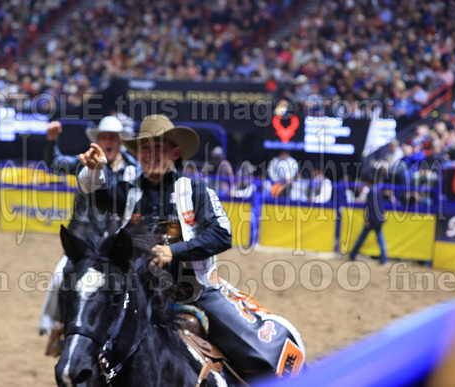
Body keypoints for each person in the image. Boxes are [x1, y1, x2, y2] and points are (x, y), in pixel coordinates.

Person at [78, 114, 305, 379]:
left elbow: (222, 234)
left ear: (175, 153)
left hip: (196, 295)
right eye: (145, 148)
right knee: (85, 333)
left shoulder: (195, 191)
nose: (149, 154)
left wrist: (173, 251)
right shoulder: (128, 192)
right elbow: (95, 198)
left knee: (261, 354)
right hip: (138, 297)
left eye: (158, 147)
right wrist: (92, 171)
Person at [38, 116, 138, 337]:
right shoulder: (85, 161)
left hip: (114, 244)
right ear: (98, 141)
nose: (108, 141)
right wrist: (52, 141)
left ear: (120, 141)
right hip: (84, 240)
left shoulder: (134, 169)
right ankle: (62, 326)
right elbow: (55, 163)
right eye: (104, 137)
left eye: (112, 137)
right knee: (62, 274)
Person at [349, 172, 388, 265]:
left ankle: (352, 255)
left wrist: (367, 219)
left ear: (367, 182)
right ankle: (383, 259)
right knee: (380, 239)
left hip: (372, 220)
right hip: (378, 219)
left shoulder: (371, 191)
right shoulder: (378, 190)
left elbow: (369, 207)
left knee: (362, 238)